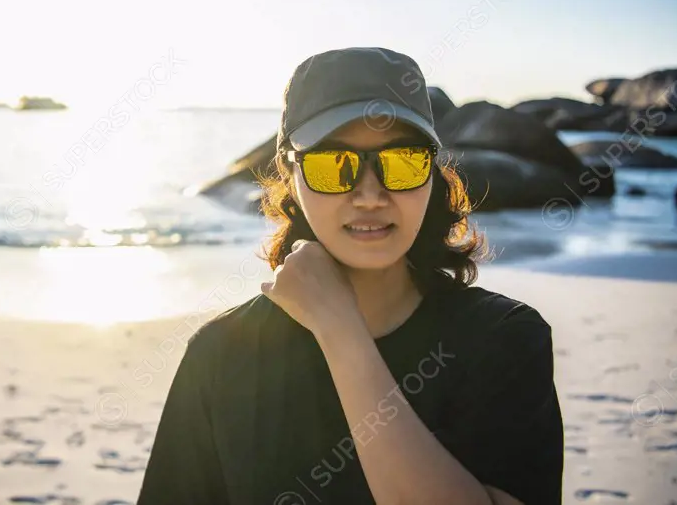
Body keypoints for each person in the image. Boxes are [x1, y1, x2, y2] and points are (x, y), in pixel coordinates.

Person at [137, 47, 564, 504]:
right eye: (331, 165)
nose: (369, 194)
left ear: (432, 171)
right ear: (290, 173)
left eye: (402, 161)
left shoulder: (503, 338)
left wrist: (341, 330)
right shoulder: (222, 354)